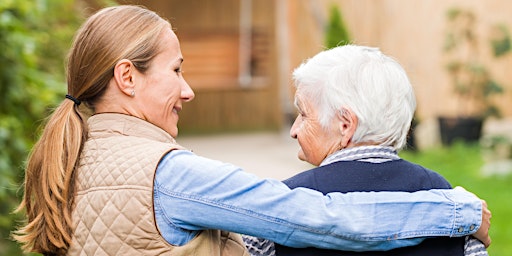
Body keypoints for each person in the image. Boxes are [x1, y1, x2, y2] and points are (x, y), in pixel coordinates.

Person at [13, 5, 490, 256]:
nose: (188, 90)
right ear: (127, 77)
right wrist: (459, 212)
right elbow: (318, 218)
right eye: (176, 71)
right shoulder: (168, 175)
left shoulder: (74, 157)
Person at [243, 45, 489, 256]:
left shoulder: (279, 205)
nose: (294, 130)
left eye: (304, 114)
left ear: (345, 124)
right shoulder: (452, 202)